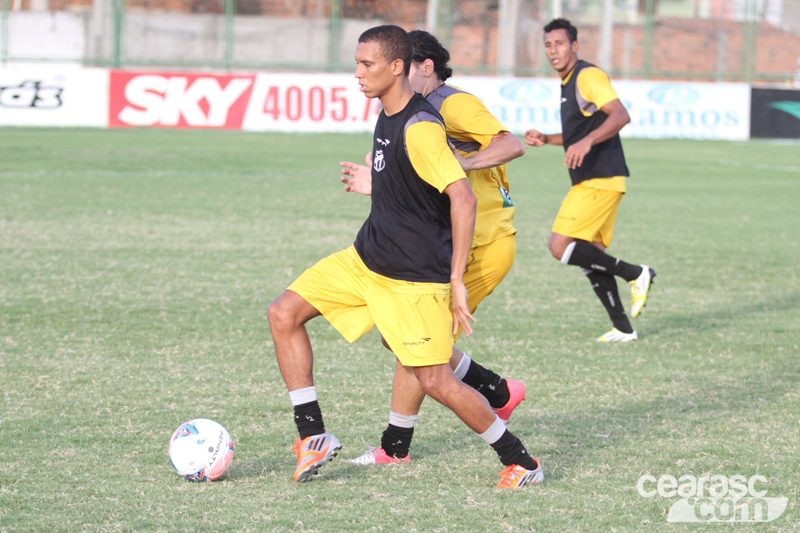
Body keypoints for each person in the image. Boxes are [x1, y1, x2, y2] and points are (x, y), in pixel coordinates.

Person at [267, 25, 542, 488]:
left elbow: (464, 198)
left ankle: (523, 463)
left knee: (434, 379)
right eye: (357, 62)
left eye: (366, 64)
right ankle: (312, 435)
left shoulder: (422, 126)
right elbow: (408, 189)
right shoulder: (386, 113)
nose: (357, 73)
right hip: (365, 260)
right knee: (283, 313)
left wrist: (456, 279)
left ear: (398, 67)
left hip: (413, 278)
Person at [340, 30, 528, 467]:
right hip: (450, 241)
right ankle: (497, 391)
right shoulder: (411, 117)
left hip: (484, 244)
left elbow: (510, 144)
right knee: (405, 342)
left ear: (422, 67)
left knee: (416, 348)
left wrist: (455, 167)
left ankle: (396, 448)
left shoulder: (453, 103)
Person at [524, 18, 656, 342]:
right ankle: (624, 329)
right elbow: (579, 132)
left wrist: (585, 143)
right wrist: (548, 139)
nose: (553, 51)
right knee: (591, 257)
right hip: (596, 179)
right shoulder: (568, 81)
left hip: (600, 178)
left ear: (574, 46)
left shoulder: (588, 75)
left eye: (559, 44)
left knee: (560, 246)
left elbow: (620, 114)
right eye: (548, 45)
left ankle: (636, 273)